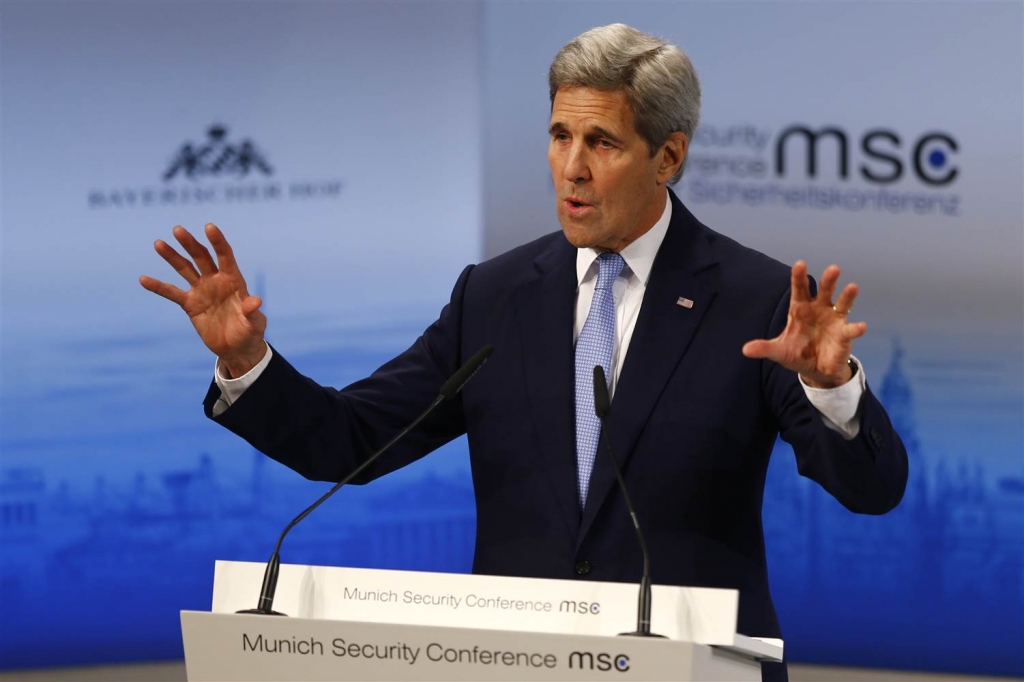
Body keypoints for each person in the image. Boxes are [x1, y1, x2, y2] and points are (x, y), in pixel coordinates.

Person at [141, 24, 908, 681]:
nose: (571, 167)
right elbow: (354, 441)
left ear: (667, 157)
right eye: (559, 135)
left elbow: (872, 490)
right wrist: (248, 363)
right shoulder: (496, 294)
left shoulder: (755, 299)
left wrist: (832, 386)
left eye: (601, 142)